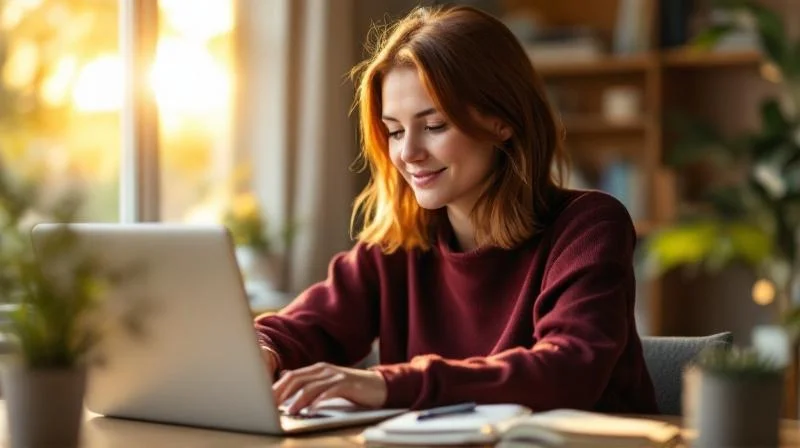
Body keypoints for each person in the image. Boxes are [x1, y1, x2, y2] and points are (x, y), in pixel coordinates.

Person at [254, 4, 658, 416]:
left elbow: (568, 371)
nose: (407, 153)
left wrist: (386, 383)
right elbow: (304, 327)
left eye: (434, 126)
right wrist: (262, 349)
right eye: (394, 131)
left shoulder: (588, 226)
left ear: (503, 120)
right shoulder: (399, 246)